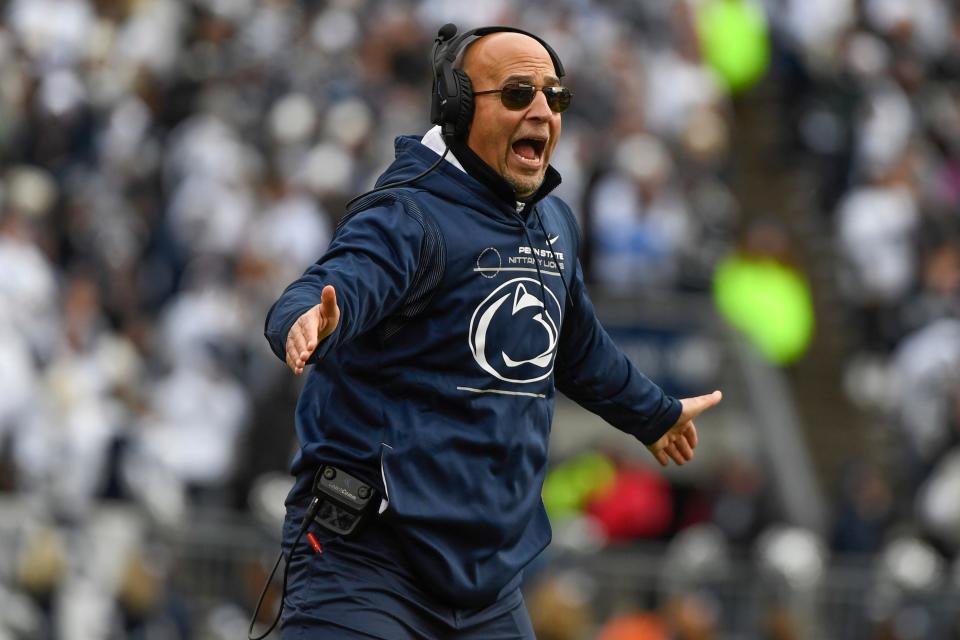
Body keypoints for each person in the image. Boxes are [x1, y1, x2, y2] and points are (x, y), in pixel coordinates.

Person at [263, 24, 723, 640]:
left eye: (553, 97)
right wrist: (307, 319)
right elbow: (332, 282)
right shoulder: (409, 212)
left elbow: (578, 346)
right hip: (367, 561)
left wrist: (653, 413)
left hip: (487, 582)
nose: (541, 111)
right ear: (455, 106)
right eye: (515, 94)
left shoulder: (553, 219)